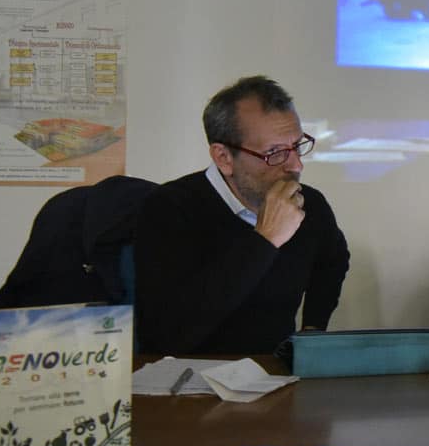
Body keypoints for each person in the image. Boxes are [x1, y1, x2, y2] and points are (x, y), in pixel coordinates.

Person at [136, 76, 349, 354]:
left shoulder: (310, 205)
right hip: (192, 372)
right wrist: (265, 239)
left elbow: (332, 262)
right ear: (223, 158)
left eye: (297, 146)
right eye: (274, 152)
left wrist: (313, 327)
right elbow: (166, 335)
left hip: (274, 369)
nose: (296, 165)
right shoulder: (167, 209)